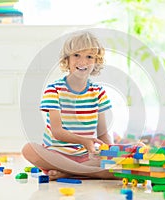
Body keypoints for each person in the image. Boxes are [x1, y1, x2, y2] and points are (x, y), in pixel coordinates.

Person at [22, 31, 117, 180]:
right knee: (29, 149)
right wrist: (84, 141)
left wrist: (113, 152)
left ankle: (70, 173)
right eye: (76, 55)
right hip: (56, 155)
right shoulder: (54, 90)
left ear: (96, 62)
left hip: (85, 157)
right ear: (67, 59)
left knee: (106, 159)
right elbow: (57, 132)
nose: (83, 62)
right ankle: (94, 173)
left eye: (89, 57)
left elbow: (103, 134)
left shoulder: (98, 92)